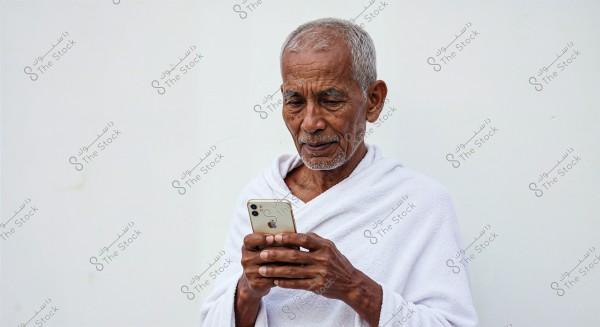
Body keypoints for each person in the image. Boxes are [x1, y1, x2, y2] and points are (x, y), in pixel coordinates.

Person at [199, 17, 479, 327]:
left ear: (373, 101)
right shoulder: (261, 194)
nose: (310, 123)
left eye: (330, 100)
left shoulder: (420, 201)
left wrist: (351, 286)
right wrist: (248, 291)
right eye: (294, 101)